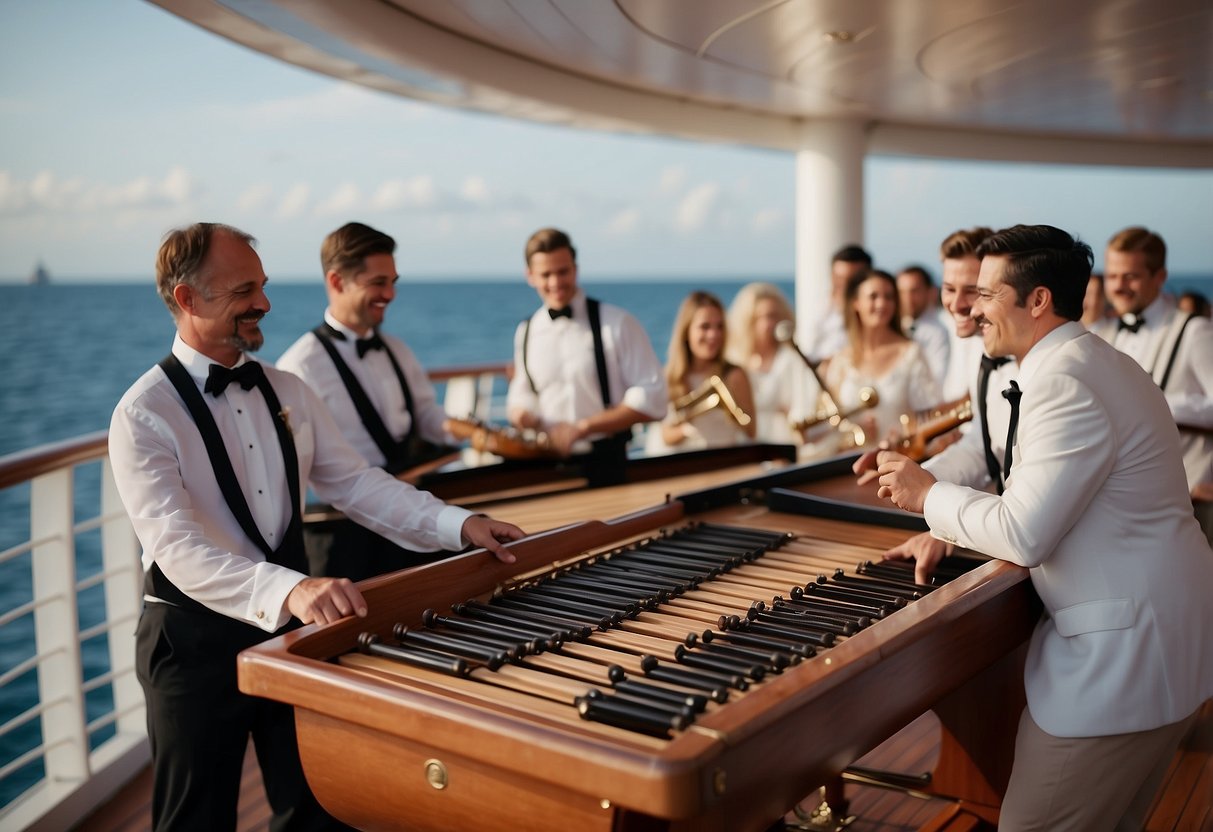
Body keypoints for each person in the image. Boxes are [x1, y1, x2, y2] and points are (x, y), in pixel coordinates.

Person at [109, 223, 525, 832]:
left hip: (290, 633)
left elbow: (356, 483)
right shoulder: (143, 413)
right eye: (243, 290)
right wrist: (293, 588)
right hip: (191, 644)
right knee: (194, 820)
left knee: (317, 808)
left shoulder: (287, 390)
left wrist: (459, 525)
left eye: (264, 285)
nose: (265, 304)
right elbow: (176, 548)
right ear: (187, 299)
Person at [857, 224, 1213, 831]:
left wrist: (929, 496)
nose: (971, 307)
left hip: (1116, 666)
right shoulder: (1098, 361)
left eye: (987, 294)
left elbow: (1025, 532)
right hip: (1168, 653)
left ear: (1038, 299)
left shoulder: (1064, 382)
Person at [278, 222, 462, 580]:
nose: (390, 294)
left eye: (393, 282)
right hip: (342, 534)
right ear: (336, 282)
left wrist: (468, 431)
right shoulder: (298, 368)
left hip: (410, 516)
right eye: (378, 282)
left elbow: (425, 414)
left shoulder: (397, 350)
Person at [856, 227, 1017, 568]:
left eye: (972, 290)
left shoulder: (1021, 360)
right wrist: (911, 471)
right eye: (949, 289)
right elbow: (979, 445)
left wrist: (937, 515)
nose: (957, 304)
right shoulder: (979, 352)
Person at [507, 227, 667, 485]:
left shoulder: (618, 323)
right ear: (530, 276)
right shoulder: (526, 331)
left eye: (563, 272)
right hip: (544, 466)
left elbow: (655, 397)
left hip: (606, 463)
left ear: (576, 269)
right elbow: (523, 393)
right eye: (546, 274)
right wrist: (522, 414)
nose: (556, 283)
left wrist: (584, 427)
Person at [1093, 226, 1213, 543]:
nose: (1118, 286)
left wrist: (1158, 404)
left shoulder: (1194, 331)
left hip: (1190, 502)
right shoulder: (1106, 335)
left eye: (1130, 276)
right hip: (1122, 505)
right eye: (1113, 275)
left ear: (1159, 277)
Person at [819, 269, 940, 449]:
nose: (882, 303)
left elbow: (929, 417)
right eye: (873, 296)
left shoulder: (911, 354)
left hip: (896, 463)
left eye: (889, 297)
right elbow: (827, 421)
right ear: (856, 303)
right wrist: (852, 430)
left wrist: (901, 438)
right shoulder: (842, 360)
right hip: (846, 465)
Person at [651, 290, 757, 452]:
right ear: (687, 331)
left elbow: (751, 431)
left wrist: (732, 410)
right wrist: (686, 429)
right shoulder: (670, 377)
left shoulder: (734, 375)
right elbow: (665, 435)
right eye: (705, 327)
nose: (714, 334)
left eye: (719, 327)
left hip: (721, 462)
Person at [724, 281, 822, 445]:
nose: (769, 324)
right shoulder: (734, 360)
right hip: (743, 446)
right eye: (762, 317)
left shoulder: (791, 360)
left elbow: (802, 408)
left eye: (774, 316)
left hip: (782, 445)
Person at [804, 244, 872, 363]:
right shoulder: (817, 308)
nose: (845, 286)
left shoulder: (877, 315)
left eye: (852, 280)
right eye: (840, 278)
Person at [895, 265, 950, 384]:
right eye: (901, 292)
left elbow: (938, 377)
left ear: (930, 292)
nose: (907, 298)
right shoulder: (892, 326)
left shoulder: (941, 330)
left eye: (914, 291)